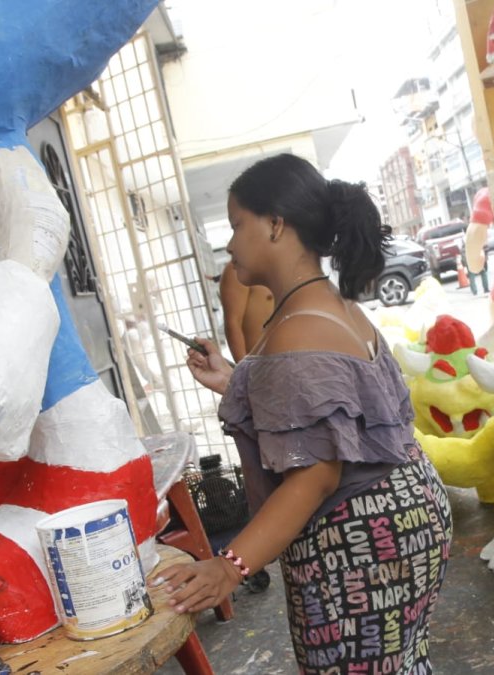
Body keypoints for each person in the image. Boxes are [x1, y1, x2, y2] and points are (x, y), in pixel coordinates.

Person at [153, 153, 453, 673]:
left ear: (275, 224)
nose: (228, 242)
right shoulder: (328, 307)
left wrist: (230, 567)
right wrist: (233, 380)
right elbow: (322, 414)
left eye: (236, 224)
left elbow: (314, 475)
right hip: (403, 513)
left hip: (359, 538)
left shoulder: (297, 328)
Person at [218, 261, 274, 362]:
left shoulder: (295, 267)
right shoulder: (237, 269)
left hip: (301, 359)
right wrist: (243, 372)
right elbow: (233, 324)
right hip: (261, 364)